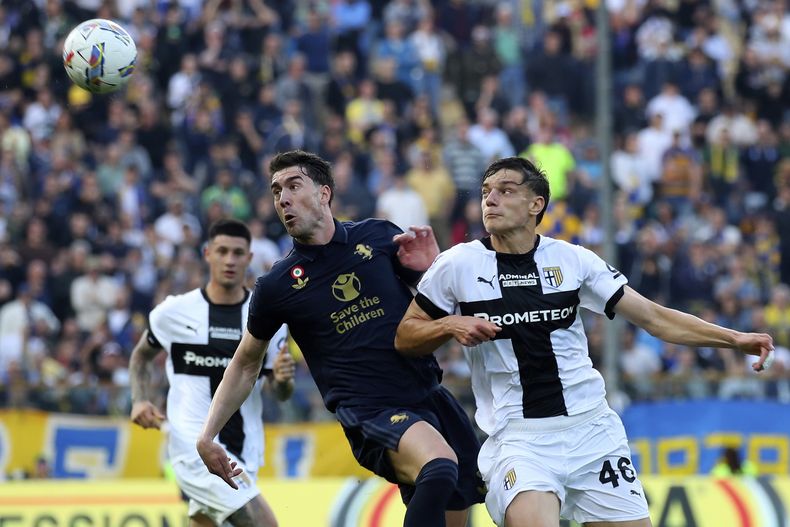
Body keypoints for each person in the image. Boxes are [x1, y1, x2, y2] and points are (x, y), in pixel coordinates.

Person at [394, 156, 774, 527]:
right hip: (520, 440)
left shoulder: (574, 261)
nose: (490, 200)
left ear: (535, 204)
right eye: (485, 191)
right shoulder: (457, 265)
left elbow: (655, 318)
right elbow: (405, 335)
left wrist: (734, 338)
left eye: (505, 191)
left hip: (592, 432)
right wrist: (449, 325)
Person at [196, 150, 484, 527]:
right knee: (440, 467)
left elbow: (427, 306)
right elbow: (246, 363)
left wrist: (432, 266)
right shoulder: (277, 285)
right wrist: (207, 436)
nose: (282, 198)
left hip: (429, 394)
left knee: (452, 504)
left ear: (324, 193)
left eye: (293, 185)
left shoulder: (378, 236)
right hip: (371, 410)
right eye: (276, 190)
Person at [129, 219, 295, 527]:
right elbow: (140, 356)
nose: (230, 260)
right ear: (207, 254)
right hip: (193, 446)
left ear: (249, 258)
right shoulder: (173, 312)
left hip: (245, 449)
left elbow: (280, 393)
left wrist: (284, 381)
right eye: (222, 251)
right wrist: (139, 399)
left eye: (237, 253)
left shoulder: (267, 319)